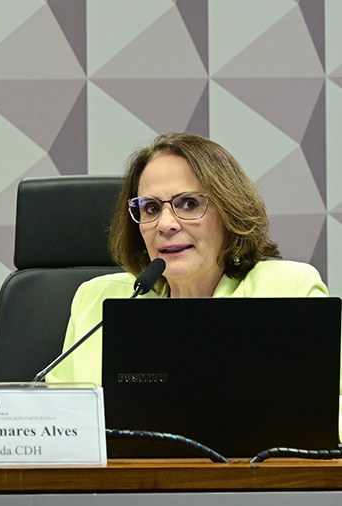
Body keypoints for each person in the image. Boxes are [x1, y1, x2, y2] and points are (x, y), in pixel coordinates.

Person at [47, 132, 329, 386]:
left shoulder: (290, 290)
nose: (166, 224)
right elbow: (61, 415)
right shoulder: (97, 301)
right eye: (151, 208)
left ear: (229, 213)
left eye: (189, 204)